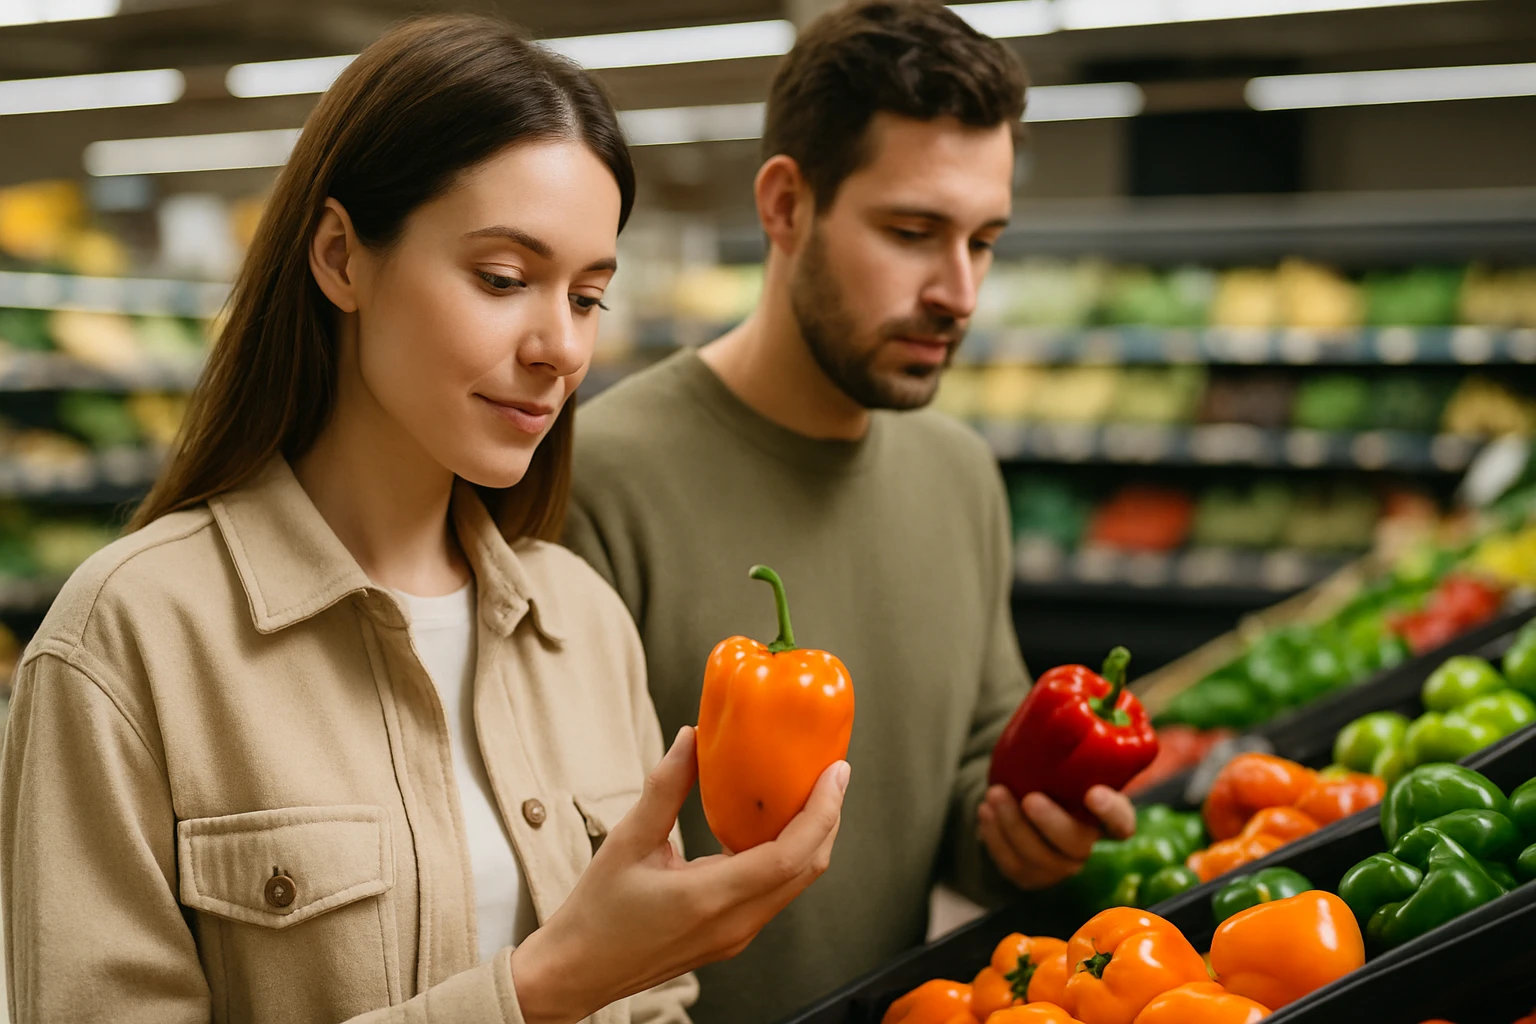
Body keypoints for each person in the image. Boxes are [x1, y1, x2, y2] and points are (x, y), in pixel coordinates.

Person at [0, 15, 848, 1024]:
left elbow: (655, 1006)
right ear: (339, 257)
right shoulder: (130, 641)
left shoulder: (582, 623)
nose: (560, 347)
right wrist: (544, 988)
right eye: (502, 279)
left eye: (588, 297)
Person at [564, 3, 1139, 1021]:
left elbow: (966, 770)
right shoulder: (596, 476)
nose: (958, 291)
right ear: (786, 205)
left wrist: (1022, 833)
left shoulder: (961, 475)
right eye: (913, 233)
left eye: (985, 241)